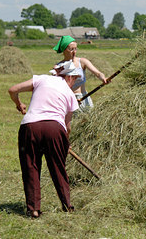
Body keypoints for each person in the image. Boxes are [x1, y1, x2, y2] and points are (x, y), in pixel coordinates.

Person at [8, 60, 80, 218]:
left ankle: (33, 209)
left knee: (31, 167)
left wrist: (19, 103)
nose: (75, 82)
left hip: (29, 127)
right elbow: (67, 127)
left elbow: (13, 90)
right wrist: (64, 144)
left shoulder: (41, 79)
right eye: (75, 79)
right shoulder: (70, 94)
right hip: (54, 129)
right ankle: (67, 205)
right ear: (69, 77)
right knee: (58, 167)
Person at [53, 35, 110, 108]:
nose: (74, 52)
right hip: (69, 101)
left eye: (75, 49)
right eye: (71, 49)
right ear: (64, 50)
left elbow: (98, 73)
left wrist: (103, 78)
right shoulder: (58, 67)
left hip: (84, 98)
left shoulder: (82, 62)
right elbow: (55, 88)